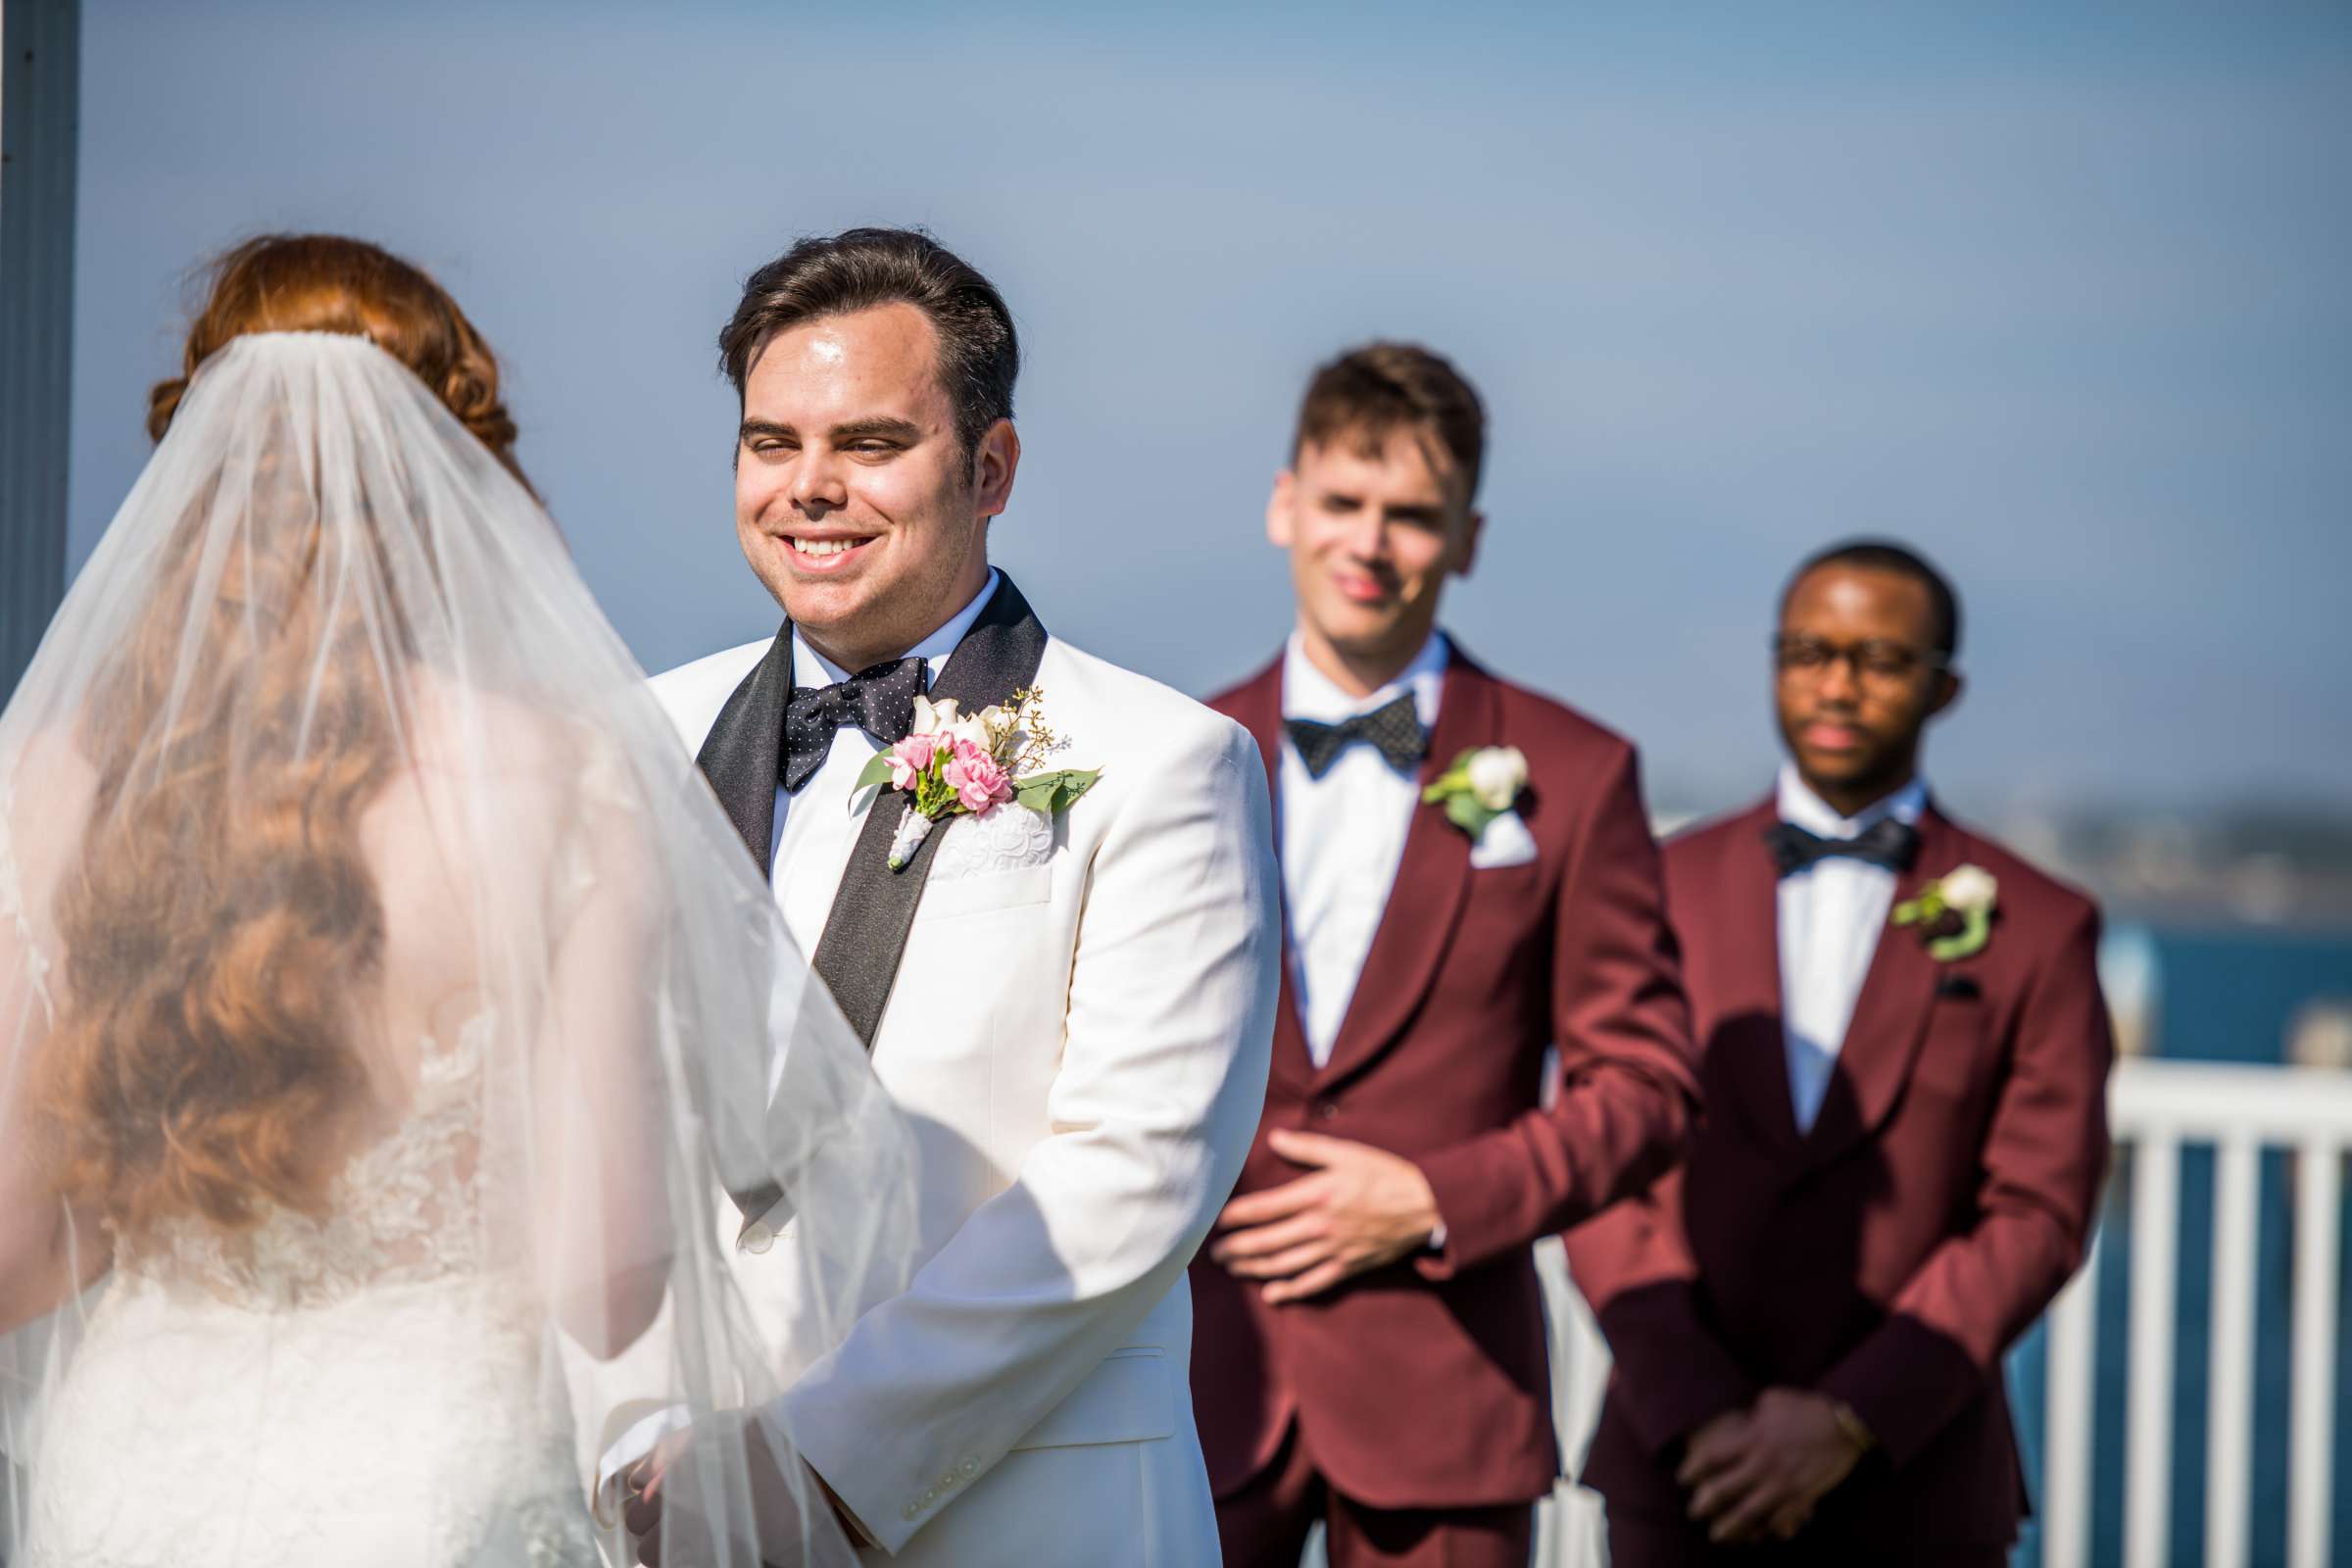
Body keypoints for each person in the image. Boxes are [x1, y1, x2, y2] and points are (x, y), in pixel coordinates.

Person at [0, 235, 914, 1567]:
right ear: (447, 461)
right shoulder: (560, 775)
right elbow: (602, 1280)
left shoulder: (58, 779)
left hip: (127, 1477)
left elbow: (19, 1249)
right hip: (430, 1485)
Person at [616, 226, 1281, 1567]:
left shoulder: (1162, 763)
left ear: (991, 468)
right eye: (769, 443)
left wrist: (815, 1465)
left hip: (1020, 1518)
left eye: (868, 445)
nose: (808, 489)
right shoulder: (630, 737)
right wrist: (622, 1446)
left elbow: (1130, 1181)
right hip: (652, 1507)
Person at [1189, 342, 1700, 1567]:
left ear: (1468, 537)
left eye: (1413, 516)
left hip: (1448, 1392)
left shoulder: (1576, 773)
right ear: (1285, 503)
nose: (1370, 543)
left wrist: (1434, 1200)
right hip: (1197, 1386)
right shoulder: (1177, 754)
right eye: (1344, 503)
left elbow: (1645, 1089)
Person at [1563, 541, 2115, 1566]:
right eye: (1810, 651)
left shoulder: (2041, 925)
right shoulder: (1652, 887)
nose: (1839, 684)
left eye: (1881, 659)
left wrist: (1851, 1415)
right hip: (1683, 1466)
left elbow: (2038, 1208)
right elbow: (1602, 1164)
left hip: (1918, 1480)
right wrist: (1699, 1406)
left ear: (1944, 686)